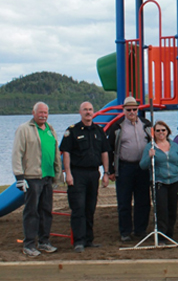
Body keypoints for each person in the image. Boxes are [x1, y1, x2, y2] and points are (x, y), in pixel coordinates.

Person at [60, 102, 110, 253]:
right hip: (77, 174)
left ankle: (89, 239)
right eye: (85, 110)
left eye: (90, 110)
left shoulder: (99, 130)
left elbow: (105, 152)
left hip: (94, 173)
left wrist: (106, 173)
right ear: (80, 112)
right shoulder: (72, 131)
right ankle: (79, 241)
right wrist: (67, 173)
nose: (88, 112)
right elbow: (66, 153)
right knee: (78, 208)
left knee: (90, 207)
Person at [12, 102, 61, 257]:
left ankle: (44, 242)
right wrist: (19, 177)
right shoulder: (24, 129)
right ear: (33, 113)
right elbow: (17, 153)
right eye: (40, 112)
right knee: (31, 211)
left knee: (46, 211)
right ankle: (28, 245)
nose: (43, 115)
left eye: (46, 113)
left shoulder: (50, 129)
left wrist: (58, 173)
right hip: (32, 178)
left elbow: (55, 151)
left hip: (48, 177)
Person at [106, 96, 151, 242]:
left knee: (143, 200)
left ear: (138, 109)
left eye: (134, 109)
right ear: (123, 110)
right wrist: (110, 170)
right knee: (124, 201)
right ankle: (125, 231)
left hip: (143, 167)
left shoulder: (146, 124)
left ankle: (140, 230)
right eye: (129, 109)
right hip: (125, 167)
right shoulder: (117, 127)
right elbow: (109, 149)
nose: (132, 112)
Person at [139, 121, 178, 243]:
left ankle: (169, 234)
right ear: (154, 133)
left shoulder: (174, 146)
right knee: (161, 210)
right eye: (158, 130)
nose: (161, 133)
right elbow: (142, 165)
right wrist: (149, 156)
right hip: (159, 182)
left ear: (167, 132)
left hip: (174, 182)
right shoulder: (150, 146)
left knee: (172, 209)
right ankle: (161, 235)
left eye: (163, 130)